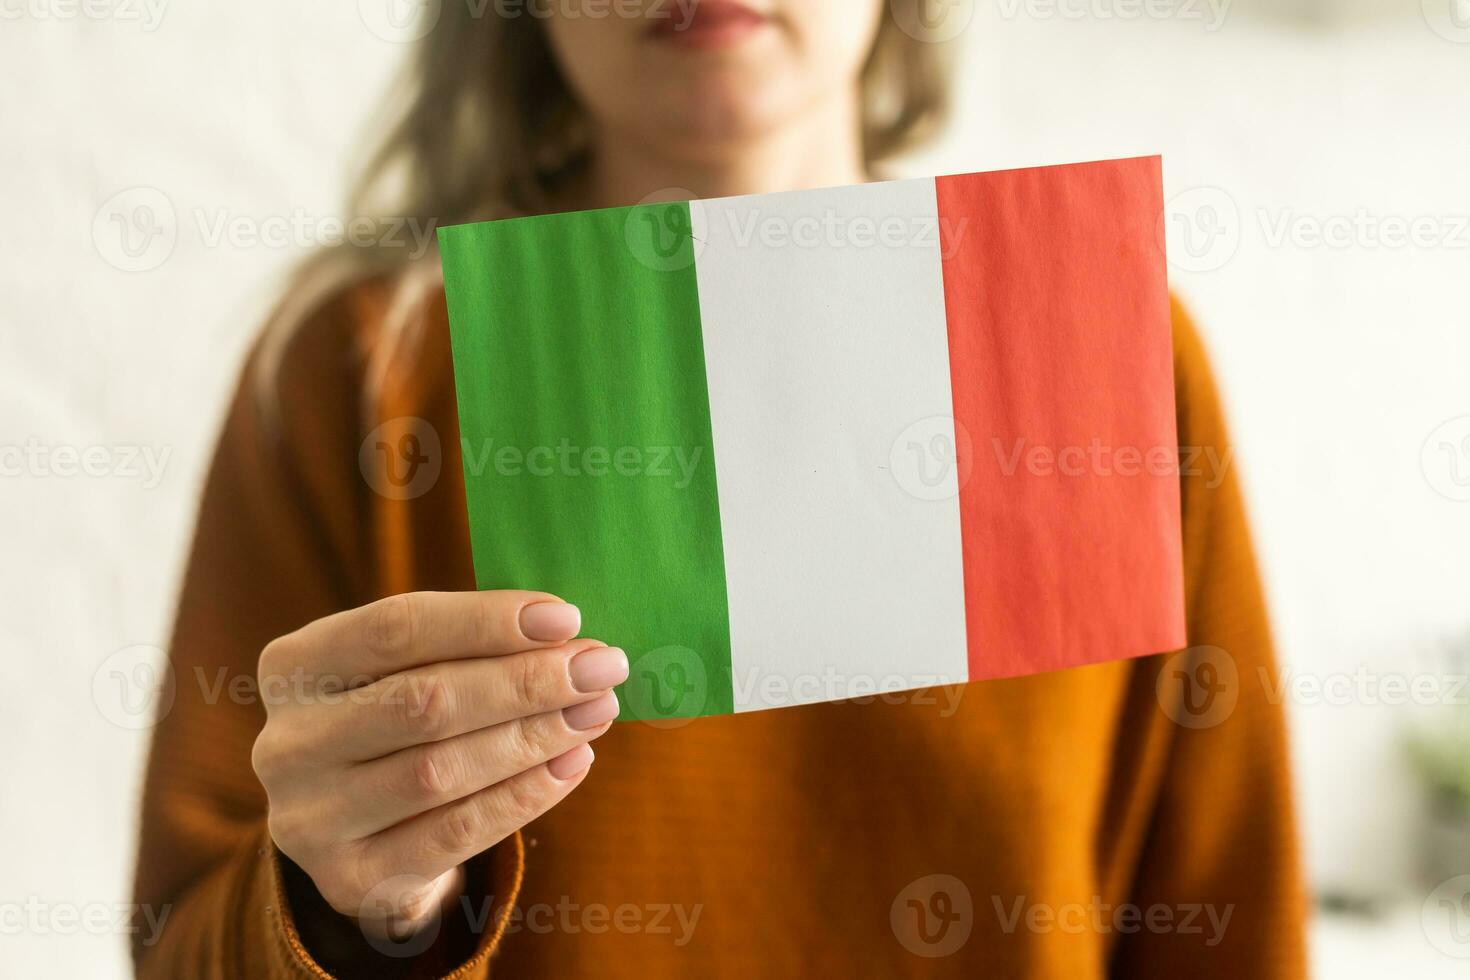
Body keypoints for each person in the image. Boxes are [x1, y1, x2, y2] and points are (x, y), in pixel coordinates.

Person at [132, 2, 1308, 976]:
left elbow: (1235, 921)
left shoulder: (1102, 348)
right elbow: (184, 947)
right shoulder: (353, 382)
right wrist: (362, 911)